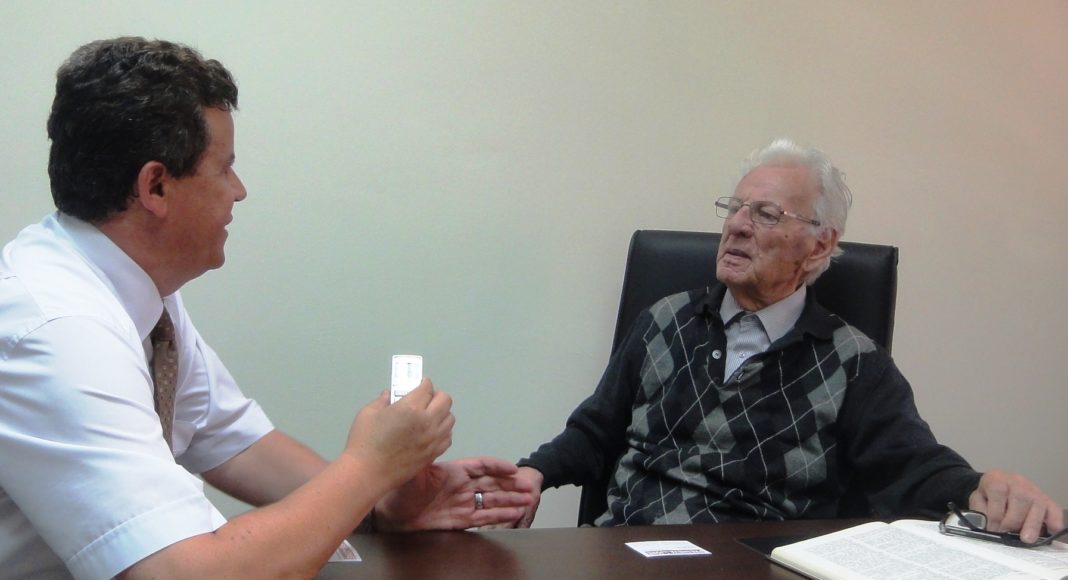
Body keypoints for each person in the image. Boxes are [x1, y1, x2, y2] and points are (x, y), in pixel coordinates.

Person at [0, 37, 532, 579]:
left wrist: (379, 506)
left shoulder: (133, 288)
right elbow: (183, 574)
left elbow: (231, 439)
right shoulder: (59, 333)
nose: (239, 191)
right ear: (155, 186)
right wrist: (370, 467)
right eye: (224, 169)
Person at [512, 139, 1063, 543]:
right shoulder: (665, 319)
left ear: (819, 246)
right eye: (734, 208)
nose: (737, 226)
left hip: (750, 563)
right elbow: (595, 432)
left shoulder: (854, 363)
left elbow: (911, 466)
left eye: (766, 214)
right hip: (622, 552)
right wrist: (531, 475)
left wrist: (979, 488)